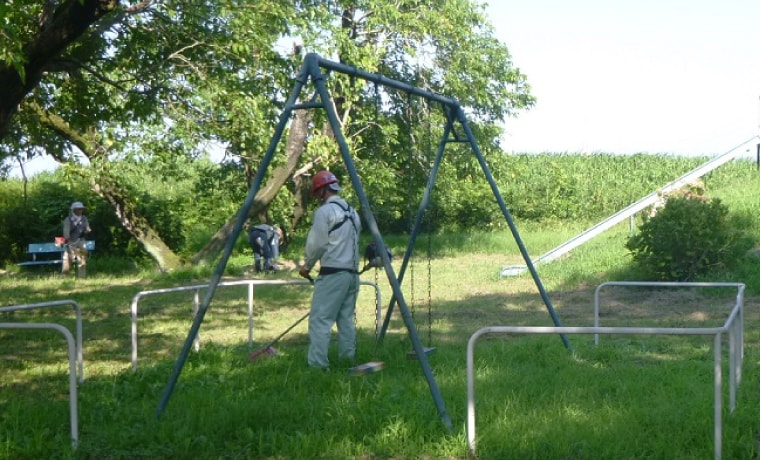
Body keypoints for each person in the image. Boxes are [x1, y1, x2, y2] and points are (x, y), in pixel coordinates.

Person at [299, 171, 361, 371]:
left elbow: (318, 244)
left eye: (317, 193)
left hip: (333, 273)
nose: (317, 197)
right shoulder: (353, 212)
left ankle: (318, 366)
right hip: (352, 274)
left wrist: (307, 265)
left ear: (322, 192)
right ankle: (347, 360)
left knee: (320, 320)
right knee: (346, 320)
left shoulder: (324, 212)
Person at [62, 201, 92, 277]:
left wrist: (87, 230)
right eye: (79, 209)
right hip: (71, 241)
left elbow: (87, 228)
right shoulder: (68, 219)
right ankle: (65, 276)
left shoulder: (84, 218)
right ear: (74, 210)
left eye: (81, 208)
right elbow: (66, 233)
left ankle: (82, 277)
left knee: (82, 258)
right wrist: (68, 242)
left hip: (81, 240)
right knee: (68, 259)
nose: (81, 210)